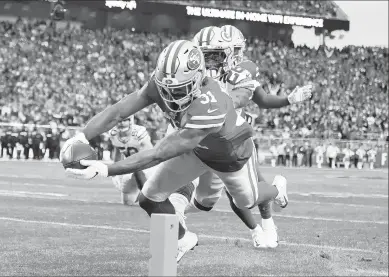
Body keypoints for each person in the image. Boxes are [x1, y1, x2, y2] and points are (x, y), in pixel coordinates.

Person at [62, 40, 289, 262]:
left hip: (230, 154)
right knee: (149, 197)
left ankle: (276, 189)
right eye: (167, 89)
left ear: (199, 79)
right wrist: (82, 136)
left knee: (246, 201)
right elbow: (118, 112)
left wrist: (106, 169)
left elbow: (159, 153)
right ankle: (182, 239)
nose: (171, 96)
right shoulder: (160, 84)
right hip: (196, 149)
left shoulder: (212, 102)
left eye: (180, 90)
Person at [168, 25, 312, 249]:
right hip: (204, 139)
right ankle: (256, 225)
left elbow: (257, 99)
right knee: (205, 202)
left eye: (219, 54)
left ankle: (265, 224)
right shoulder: (195, 72)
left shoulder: (243, 70)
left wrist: (289, 100)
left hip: (233, 142)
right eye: (208, 56)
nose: (213, 61)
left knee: (245, 193)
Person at [108, 115, 154, 205]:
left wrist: (136, 168)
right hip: (131, 168)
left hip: (147, 167)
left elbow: (149, 153)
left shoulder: (138, 132)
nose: (121, 123)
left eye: (124, 120)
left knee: (151, 200)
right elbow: (117, 153)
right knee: (127, 202)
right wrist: (114, 173)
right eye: (119, 121)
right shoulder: (113, 133)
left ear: (130, 121)